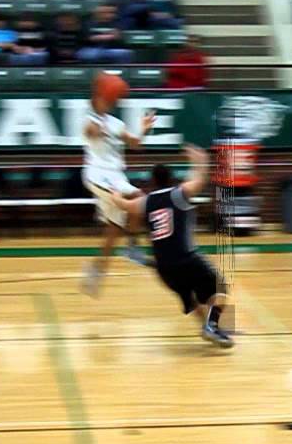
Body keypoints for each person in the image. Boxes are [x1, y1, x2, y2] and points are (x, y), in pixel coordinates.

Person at [110, 145, 233, 348]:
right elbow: (200, 179)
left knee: (191, 301)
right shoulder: (179, 193)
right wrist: (200, 160)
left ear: (152, 182)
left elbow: (122, 205)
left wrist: (114, 194)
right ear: (171, 179)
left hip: (164, 268)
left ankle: (209, 330)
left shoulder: (144, 202)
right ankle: (211, 325)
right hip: (187, 258)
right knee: (221, 289)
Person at [80, 73, 156, 297]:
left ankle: (95, 272)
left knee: (114, 229)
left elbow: (135, 144)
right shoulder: (90, 119)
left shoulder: (116, 123)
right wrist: (99, 101)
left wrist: (143, 128)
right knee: (138, 198)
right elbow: (90, 131)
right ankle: (132, 246)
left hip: (116, 176)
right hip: (97, 175)